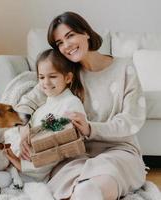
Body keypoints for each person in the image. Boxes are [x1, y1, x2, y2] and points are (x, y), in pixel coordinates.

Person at [16, 11, 146, 200]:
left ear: (86, 32)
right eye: (60, 42)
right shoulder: (67, 74)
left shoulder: (124, 68)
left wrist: (90, 128)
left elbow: (130, 121)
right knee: (72, 186)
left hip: (119, 151)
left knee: (91, 189)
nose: (66, 45)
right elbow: (28, 101)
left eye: (70, 36)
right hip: (75, 154)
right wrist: (23, 127)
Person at [4, 48, 86, 182]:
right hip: (12, 154)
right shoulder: (46, 103)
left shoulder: (70, 104)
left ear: (68, 78)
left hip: (29, 169)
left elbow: (56, 146)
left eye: (52, 76)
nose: (46, 82)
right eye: (41, 77)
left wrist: (22, 165)